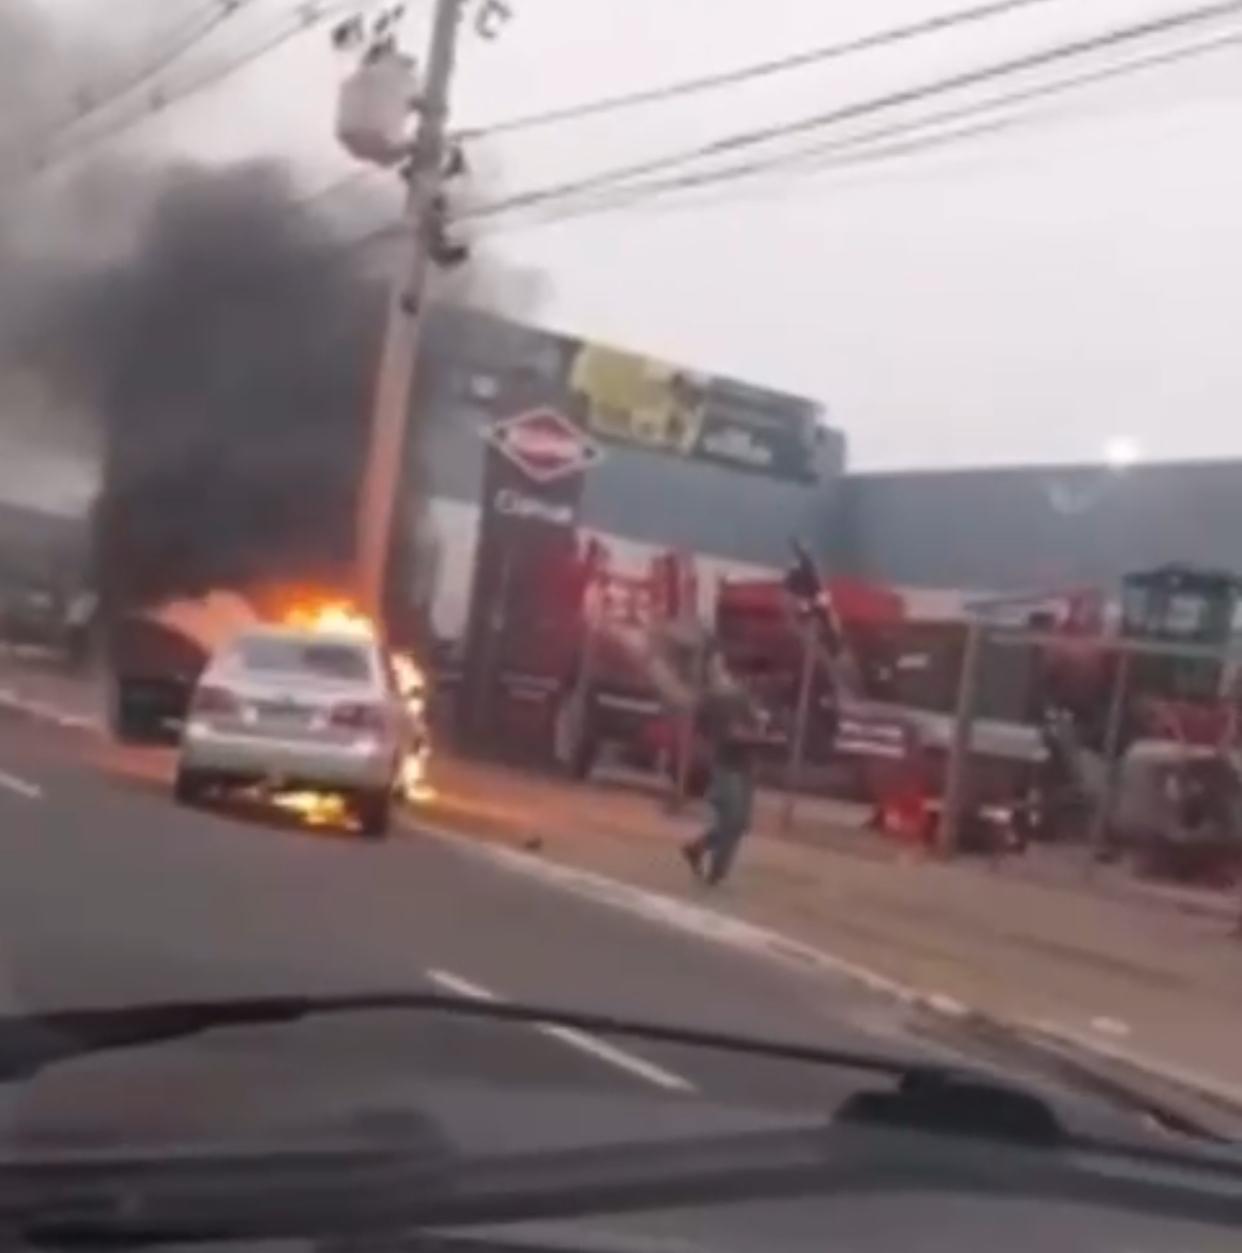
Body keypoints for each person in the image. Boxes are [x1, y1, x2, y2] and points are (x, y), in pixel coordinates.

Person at [682, 680, 761, 887]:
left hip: (744, 766)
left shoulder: (748, 701)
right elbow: (729, 733)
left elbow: (750, 731)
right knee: (733, 819)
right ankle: (716, 872)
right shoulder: (728, 699)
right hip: (728, 766)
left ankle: (698, 849)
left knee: (740, 823)